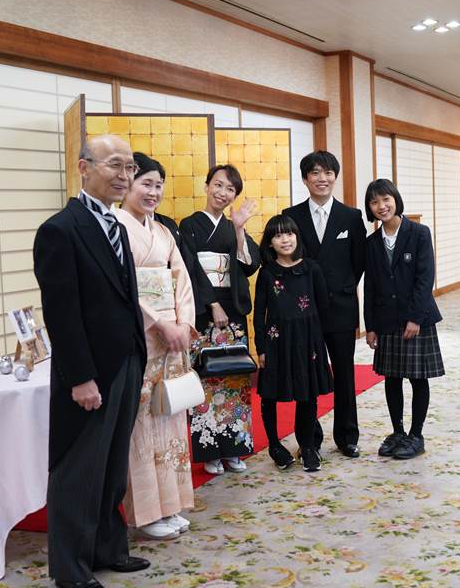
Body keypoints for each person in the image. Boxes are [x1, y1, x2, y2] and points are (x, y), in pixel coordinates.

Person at [32, 135, 150, 588]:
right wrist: (80, 377)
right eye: (115, 165)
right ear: (84, 168)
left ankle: (107, 548)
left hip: (125, 360)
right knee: (78, 469)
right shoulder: (60, 230)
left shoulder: (118, 226)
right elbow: (61, 313)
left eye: (130, 167)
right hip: (88, 371)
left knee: (112, 465)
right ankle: (70, 565)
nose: (124, 175)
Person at [113, 153, 198, 541]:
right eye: (146, 183)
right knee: (143, 422)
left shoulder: (163, 232)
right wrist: (160, 323)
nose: (153, 192)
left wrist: (182, 323)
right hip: (141, 335)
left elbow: (181, 278)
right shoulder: (114, 227)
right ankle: (146, 513)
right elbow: (122, 286)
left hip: (172, 338)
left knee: (171, 415)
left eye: (158, 185)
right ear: (127, 183)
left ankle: (172, 504)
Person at [282, 151, 367, 459]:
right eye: (315, 173)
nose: (322, 178)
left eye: (328, 172)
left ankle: (347, 436)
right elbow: (286, 260)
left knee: (345, 373)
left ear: (335, 176)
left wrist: (341, 288)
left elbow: (358, 263)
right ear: (305, 179)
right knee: (307, 375)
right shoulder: (291, 216)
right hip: (304, 311)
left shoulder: (351, 216)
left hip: (341, 308)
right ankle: (308, 439)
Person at [179, 165, 260, 475]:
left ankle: (235, 449)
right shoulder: (189, 225)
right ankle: (211, 452)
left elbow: (249, 265)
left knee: (235, 378)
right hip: (204, 310)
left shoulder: (232, 226)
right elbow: (189, 268)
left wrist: (239, 229)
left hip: (233, 310)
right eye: (218, 185)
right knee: (206, 380)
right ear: (206, 186)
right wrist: (212, 303)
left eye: (230, 189)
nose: (222, 193)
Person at [362, 179, 444, 460]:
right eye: (374, 202)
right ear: (370, 208)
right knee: (392, 377)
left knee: (417, 377)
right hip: (386, 320)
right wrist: (369, 326)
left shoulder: (419, 233)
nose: (381, 206)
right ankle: (397, 432)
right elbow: (370, 285)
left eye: (385, 199)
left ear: (395, 199)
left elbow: (425, 279)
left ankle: (416, 434)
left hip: (415, 318)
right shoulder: (371, 243)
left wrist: (415, 318)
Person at [253, 215, 333, 472]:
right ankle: (275, 444)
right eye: (277, 235)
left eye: (288, 233)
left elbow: (323, 308)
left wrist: (320, 343)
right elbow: (259, 313)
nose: (284, 239)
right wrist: (261, 348)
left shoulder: (311, 268)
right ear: (270, 243)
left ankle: (307, 446)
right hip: (276, 340)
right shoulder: (266, 273)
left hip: (307, 340)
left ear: (297, 236)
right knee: (270, 393)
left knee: (307, 393)